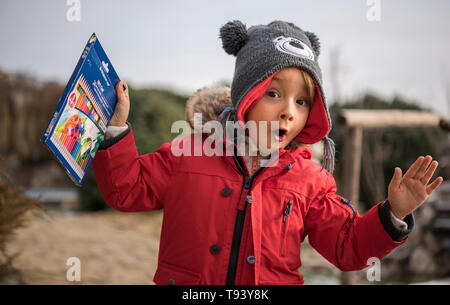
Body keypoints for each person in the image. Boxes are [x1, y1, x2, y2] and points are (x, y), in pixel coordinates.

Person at [92, 20, 443, 285]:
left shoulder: (311, 180)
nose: (289, 110)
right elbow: (126, 189)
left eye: (302, 101)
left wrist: (393, 214)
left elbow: (348, 247)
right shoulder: (189, 152)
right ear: (245, 95)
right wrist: (115, 130)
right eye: (273, 94)